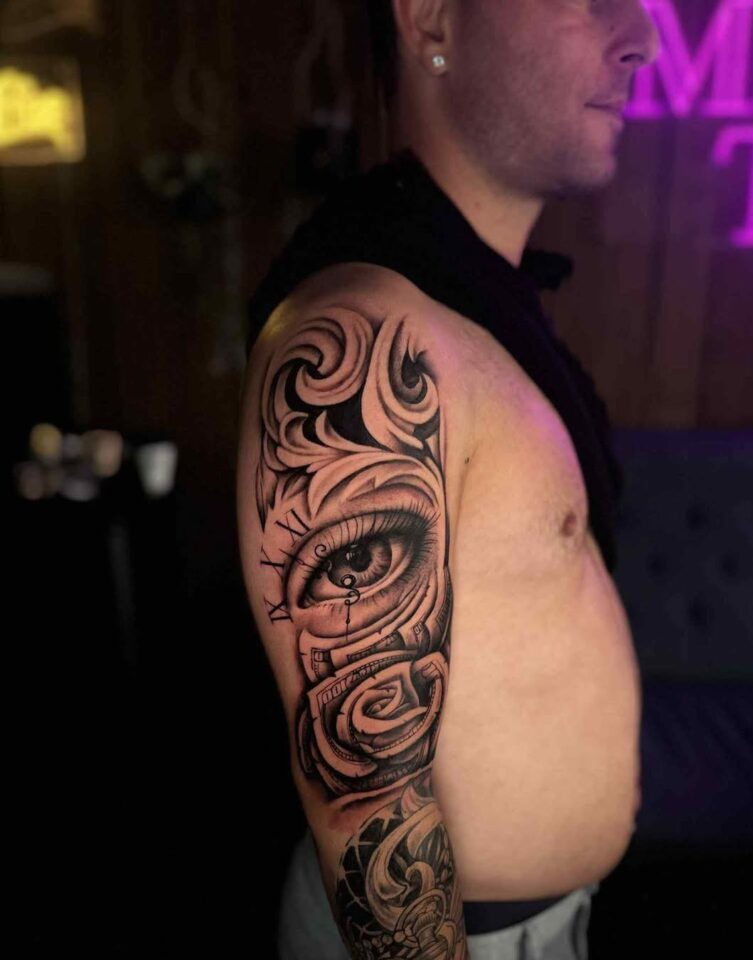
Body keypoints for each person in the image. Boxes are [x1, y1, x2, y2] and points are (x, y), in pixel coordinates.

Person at [236, 1, 661, 957]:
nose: (641, 36)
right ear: (432, 16)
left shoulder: (473, 300)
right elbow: (365, 796)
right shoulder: (367, 335)